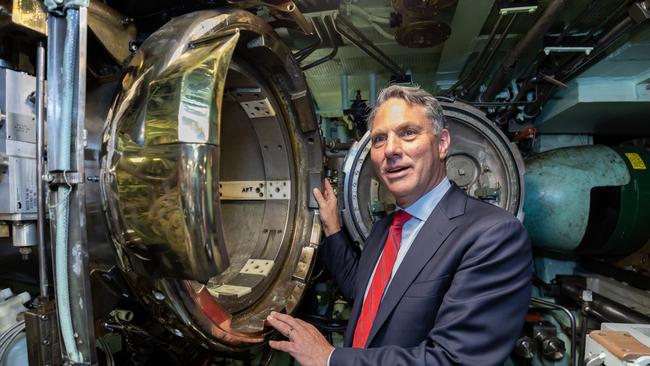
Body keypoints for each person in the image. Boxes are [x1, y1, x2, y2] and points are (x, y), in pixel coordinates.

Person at [266, 85, 532, 366]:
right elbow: (364, 293)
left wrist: (330, 358)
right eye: (379, 139)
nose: (391, 149)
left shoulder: (493, 234)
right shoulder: (386, 229)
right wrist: (332, 227)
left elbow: (455, 360)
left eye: (408, 133)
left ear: (442, 144)